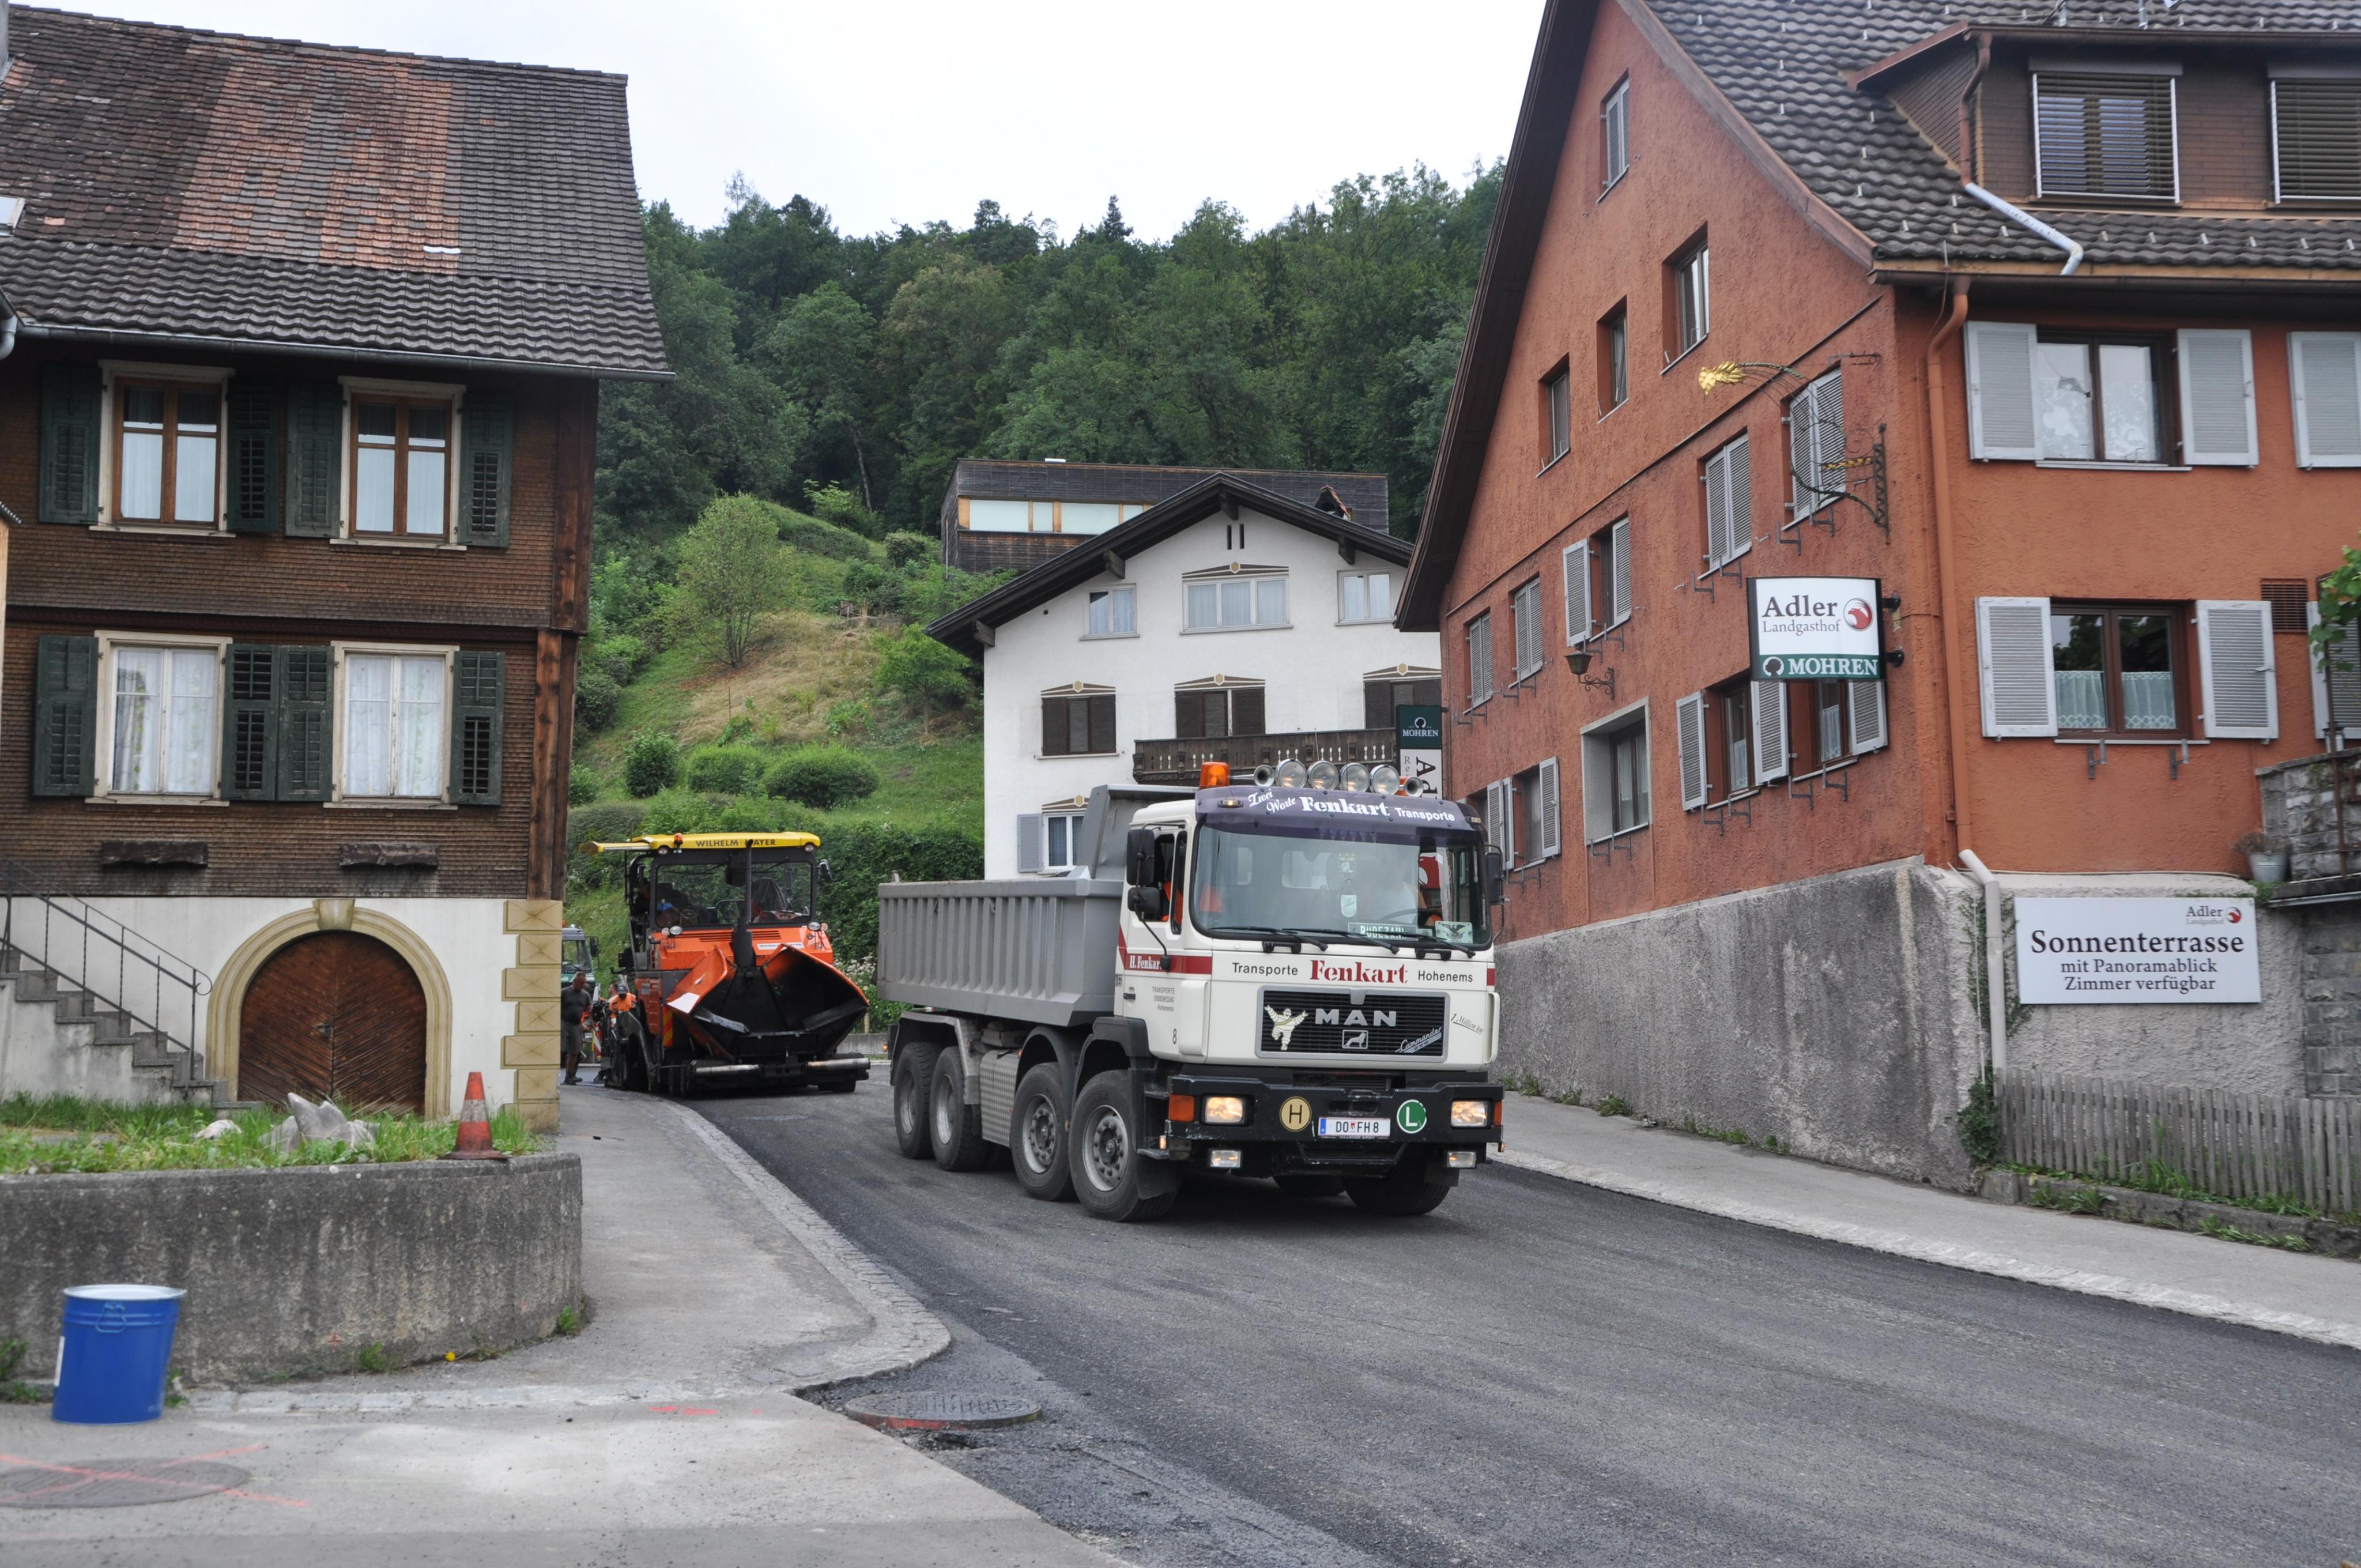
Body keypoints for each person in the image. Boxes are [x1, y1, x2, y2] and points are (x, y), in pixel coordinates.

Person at [560, 970, 594, 1086]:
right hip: (564, 1023)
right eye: (581, 982)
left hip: (576, 1025)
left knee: (574, 1052)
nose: (583, 985)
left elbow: (589, 1007)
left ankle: (570, 1076)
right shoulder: (564, 992)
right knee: (561, 1049)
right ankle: (552, 1074)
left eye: (584, 982)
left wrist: (590, 1009)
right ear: (574, 981)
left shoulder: (585, 995)